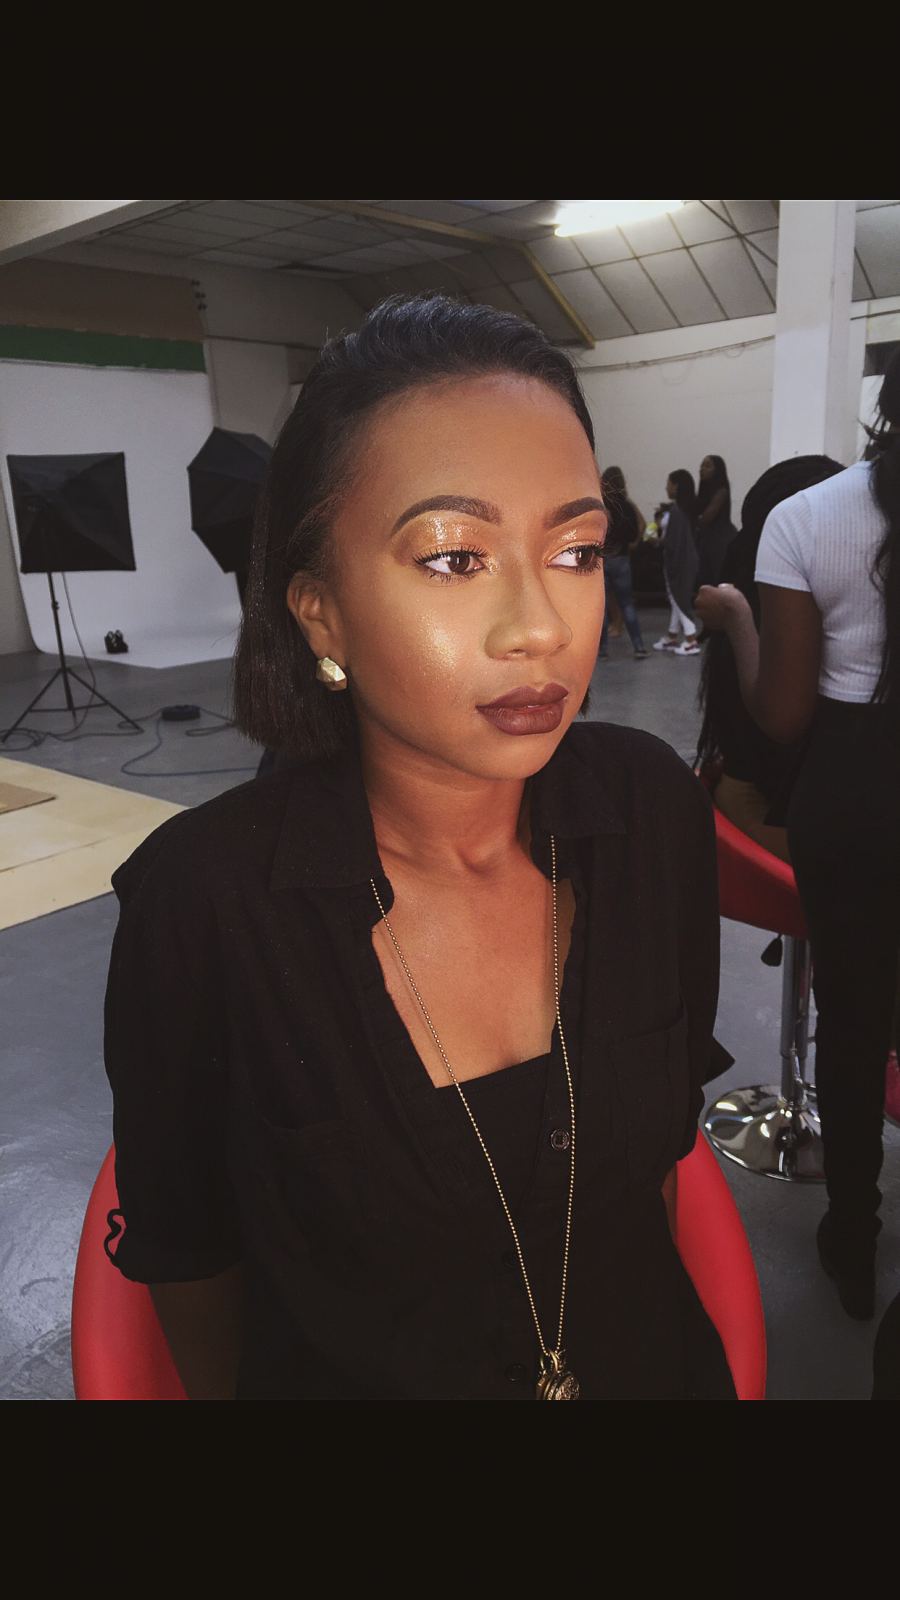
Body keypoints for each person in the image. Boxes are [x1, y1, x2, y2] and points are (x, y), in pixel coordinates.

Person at [103, 294, 735, 1401]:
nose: (542, 626)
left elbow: (654, 1181)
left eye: (578, 550)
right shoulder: (207, 907)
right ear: (320, 612)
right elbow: (194, 1274)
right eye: (453, 558)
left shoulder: (651, 814)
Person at [695, 351, 900, 1322]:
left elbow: (781, 716)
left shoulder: (806, 517)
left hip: (851, 796)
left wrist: (739, 622)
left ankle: (852, 1244)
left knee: (853, 1027)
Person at [695, 456, 843, 863]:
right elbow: (780, 727)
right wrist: (739, 621)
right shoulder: (762, 613)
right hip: (769, 810)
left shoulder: (752, 601)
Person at [597, 466, 648, 659]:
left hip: (603, 559)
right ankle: (638, 646)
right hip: (622, 560)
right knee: (627, 604)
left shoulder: (600, 505)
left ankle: (602, 649)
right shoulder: (626, 506)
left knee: (602, 608)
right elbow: (635, 532)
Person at [648, 470, 700, 655]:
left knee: (679, 599)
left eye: (669, 484)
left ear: (676, 487)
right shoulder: (681, 510)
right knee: (675, 598)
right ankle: (672, 636)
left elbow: (673, 542)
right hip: (685, 562)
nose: (666, 488)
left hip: (679, 563)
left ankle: (691, 639)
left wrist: (656, 541)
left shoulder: (677, 512)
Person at [695, 455, 737, 588]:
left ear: (717, 470)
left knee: (718, 580)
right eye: (701, 465)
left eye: (707, 466)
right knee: (705, 581)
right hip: (707, 539)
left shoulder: (721, 492)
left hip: (720, 539)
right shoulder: (703, 494)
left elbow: (705, 519)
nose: (702, 469)